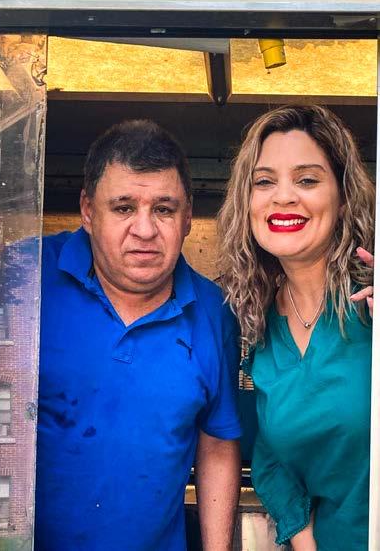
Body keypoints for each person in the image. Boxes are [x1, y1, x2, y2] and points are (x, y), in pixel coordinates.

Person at [35, 120, 242, 550]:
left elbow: (217, 442)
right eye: (124, 208)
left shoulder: (213, 311)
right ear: (88, 211)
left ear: (188, 217)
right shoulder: (26, 277)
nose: (145, 230)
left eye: (164, 209)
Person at [217, 104, 374, 550]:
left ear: (343, 197)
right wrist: (306, 543)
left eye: (307, 180)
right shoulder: (257, 322)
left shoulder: (372, 299)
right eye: (264, 182)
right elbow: (270, 457)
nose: (283, 197)